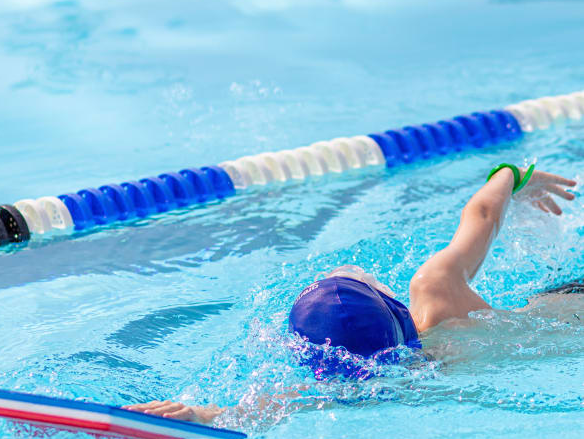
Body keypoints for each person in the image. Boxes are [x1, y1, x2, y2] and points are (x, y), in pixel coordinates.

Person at [126, 163, 577, 424]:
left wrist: (201, 415)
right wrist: (513, 175)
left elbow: (269, 408)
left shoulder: (375, 383)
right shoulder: (438, 296)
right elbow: (481, 214)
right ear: (395, 311)